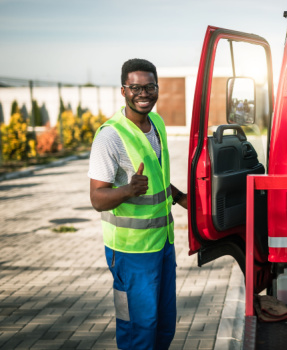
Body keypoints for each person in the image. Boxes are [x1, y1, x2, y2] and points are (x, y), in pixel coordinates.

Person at [88, 58, 187, 350]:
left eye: (149, 87)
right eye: (135, 88)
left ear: (157, 89)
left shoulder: (156, 123)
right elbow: (97, 199)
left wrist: (181, 199)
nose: (143, 93)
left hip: (162, 245)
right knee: (138, 331)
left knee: (164, 324)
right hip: (131, 253)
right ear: (123, 91)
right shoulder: (110, 136)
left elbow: (156, 179)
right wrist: (128, 190)